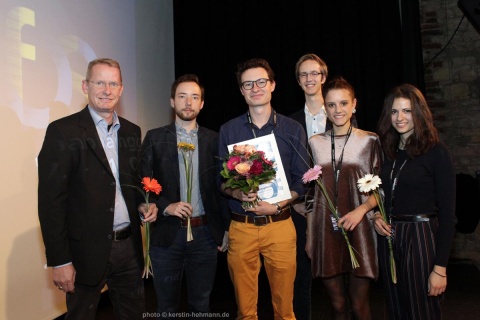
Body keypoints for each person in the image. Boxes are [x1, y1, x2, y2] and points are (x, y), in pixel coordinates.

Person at [38, 58, 158, 319]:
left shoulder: (131, 131)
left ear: (121, 89)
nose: (107, 89)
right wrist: (60, 261)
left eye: (113, 83)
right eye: (100, 82)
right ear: (85, 86)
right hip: (84, 253)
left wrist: (142, 202)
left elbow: (130, 183)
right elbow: (51, 202)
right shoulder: (63, 131)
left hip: (128, 248)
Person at [218, 58, 309, 319]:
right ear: (242, 91)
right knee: (245, 312)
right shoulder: (229, 130)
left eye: (261, 82)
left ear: (272, 85)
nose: (255, 88)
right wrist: (237, 192)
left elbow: (302, 180)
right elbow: (220, 181)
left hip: (280, 225)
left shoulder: (292, 129)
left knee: (285, 311)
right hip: (242, 227)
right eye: (248, 84)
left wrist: (278, 204)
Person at [140, 74, 230, 317]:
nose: (188, 102)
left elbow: (222, 188)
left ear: (202, 104)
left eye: (194, 97)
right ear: (172, 101)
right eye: (182, 96)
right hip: (167, 234)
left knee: (201, 307)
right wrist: (166, 205)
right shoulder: (155, 137)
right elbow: (142, 183)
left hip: (205, 236)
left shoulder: (214, 139)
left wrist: (225, 230)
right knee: (166, 308)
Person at [374, 83, 456, 319]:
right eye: (394, 111)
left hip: (421, 237)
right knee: (396, 310)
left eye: (407, 111)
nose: (400, 118)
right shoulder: (389, 152)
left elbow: (448, 214)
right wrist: (377, 215)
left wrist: (440, 268)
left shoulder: (437, 152)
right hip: (390, 237)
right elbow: (385, 196)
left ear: (419, 113)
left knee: (422, 311)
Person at [306, 76, 381, 319]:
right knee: (337, 306)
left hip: (360, 230)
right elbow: (310, 196)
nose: (338, 110)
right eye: (331, 104)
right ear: (324, 108)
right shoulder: (314, 143)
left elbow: (380, 189)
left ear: (354, 104)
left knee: (360, 306)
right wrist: (309, 236)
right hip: (325, 233)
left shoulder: (369, 140)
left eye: (344, 103)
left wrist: (361, 211)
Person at [288, 53, 329, 320]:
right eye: (304, 74)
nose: (309, 78)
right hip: (300, 211)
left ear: (323, 77)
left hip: (334, 210)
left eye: (314, 73)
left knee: (339, 278)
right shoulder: (289, 123)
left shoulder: (342, 114)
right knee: (301, 279)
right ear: (299, 81)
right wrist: (296, 202)